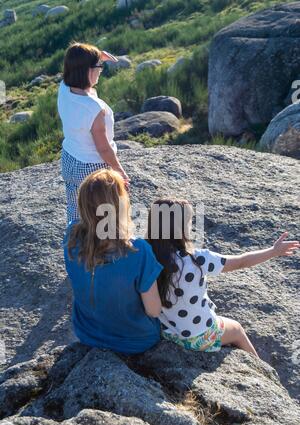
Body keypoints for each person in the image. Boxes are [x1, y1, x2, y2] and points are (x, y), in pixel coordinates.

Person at [146, 198, 299, 357]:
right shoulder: (198, 258)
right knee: (237, 329)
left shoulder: (146, 255)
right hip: (198, 336)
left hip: (166, 332)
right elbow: (241, 262)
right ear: (182, 227)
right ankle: (262, 370)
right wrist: (273, 251)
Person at [62, 169, 162, 355]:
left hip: (86, 334)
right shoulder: (139, 250)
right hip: (136, 342)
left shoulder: (71, 236)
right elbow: (154, 311)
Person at [58, 41, 130, 224]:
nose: (101, 70)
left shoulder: (64, 88)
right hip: (92, 166)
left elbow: (78, 65)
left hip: (69, 158)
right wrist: (118, 169)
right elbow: (103, 147)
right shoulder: (94, 108)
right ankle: (101, 246)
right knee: (101, 212)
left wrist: (97, 57)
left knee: (76, 207)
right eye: (99, 67)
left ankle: (74, 241)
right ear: (88, 71)